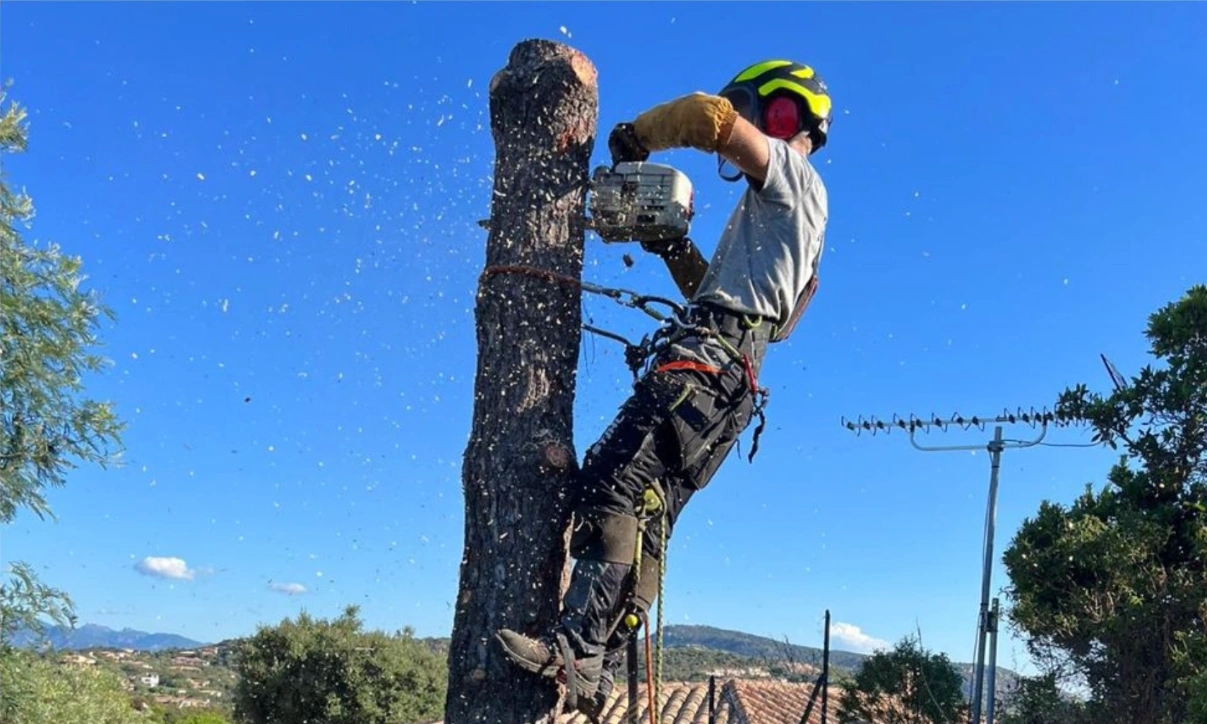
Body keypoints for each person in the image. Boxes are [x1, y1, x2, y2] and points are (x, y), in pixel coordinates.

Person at [495, 58, 833, 720]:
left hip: (705, 366)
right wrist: (671, 246)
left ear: (780, 112)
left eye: (752, 110)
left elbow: (709, 117)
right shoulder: (792, 220)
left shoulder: (792, 176)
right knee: (646, 514)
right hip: (729, 379)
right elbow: (734, 300)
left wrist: (636, 138)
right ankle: (597, 664)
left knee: (612, 481)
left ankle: (577, 649)